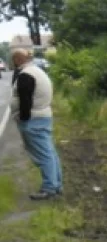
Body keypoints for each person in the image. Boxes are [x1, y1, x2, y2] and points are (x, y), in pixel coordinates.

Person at [11, 48, 63, 200]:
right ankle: (56, 185)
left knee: (44, 155)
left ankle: (49, 188)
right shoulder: (36, 70)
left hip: (33, 120)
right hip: (43, 116)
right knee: (49, 153)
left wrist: (23, 118)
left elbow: (25, 100)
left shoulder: (26, 75)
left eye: (13, 59)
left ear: (17, 59)